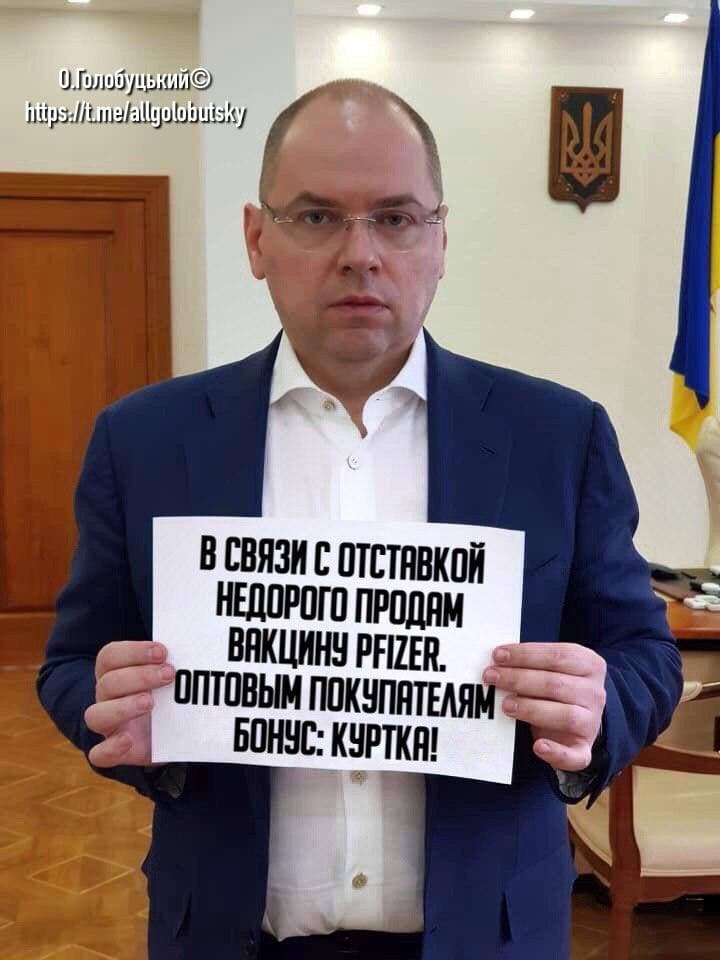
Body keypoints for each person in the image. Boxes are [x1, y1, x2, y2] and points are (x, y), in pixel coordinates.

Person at [37, 79, 683, 960]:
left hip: (487, 936)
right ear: (256, 239)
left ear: (441, 240)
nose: (360, 254)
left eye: (396, 218)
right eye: (315, 217)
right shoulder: (143, 440)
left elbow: (645, 655)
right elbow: (72, 662)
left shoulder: (559, 437)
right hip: (228, 933)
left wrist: (597, 707)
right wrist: (111, 711)